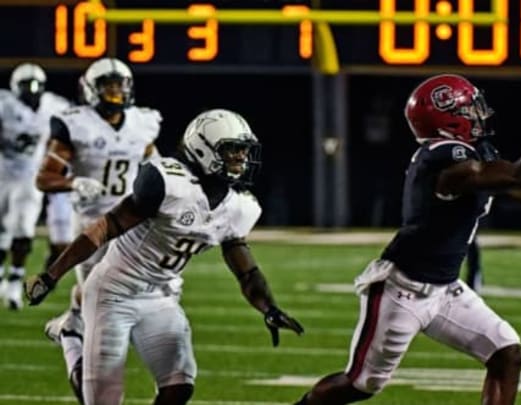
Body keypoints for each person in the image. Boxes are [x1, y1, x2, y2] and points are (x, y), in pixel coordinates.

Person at [292, 74, 521, 405]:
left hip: (444, 288)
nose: (479, 114)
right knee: (361, 383)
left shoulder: (471, 154)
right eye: (468, 109)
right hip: (403, 289)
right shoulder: (446, 160)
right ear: (447, 118)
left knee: (507, 352)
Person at [25, 108, 304, 405]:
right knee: (102, 399)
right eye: (231, 150)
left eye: (244, 151)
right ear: (202, 147)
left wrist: (269, 308)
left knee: (179, 385)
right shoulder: (168, 182)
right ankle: (70, 337)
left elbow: (245, 270)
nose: (241, 158)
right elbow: (104, 228)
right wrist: (51, 274)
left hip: (161, 295)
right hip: (113, 291)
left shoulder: (239, 206)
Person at [34, 57, 161, 403]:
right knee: (103, 315)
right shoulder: (76, 124)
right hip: (91, 228)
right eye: (108, 85)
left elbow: (156, 168)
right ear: (92, 90)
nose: (116, 92)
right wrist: (73, 182)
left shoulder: (142, 122)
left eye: (120, 85)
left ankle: (73, 323)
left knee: (128, 300)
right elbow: (44, 177)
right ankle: (75, 336)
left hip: (132, 224)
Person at [0, 62, 70, 310]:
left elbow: (75, 126)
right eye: (26, 85)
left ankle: (15, 279)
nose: (31, 90)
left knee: (24, 228)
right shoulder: (4, 105)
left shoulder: (54, 105)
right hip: (2, 171)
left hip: (31, 175)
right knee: (2, 230)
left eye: (36, 85)